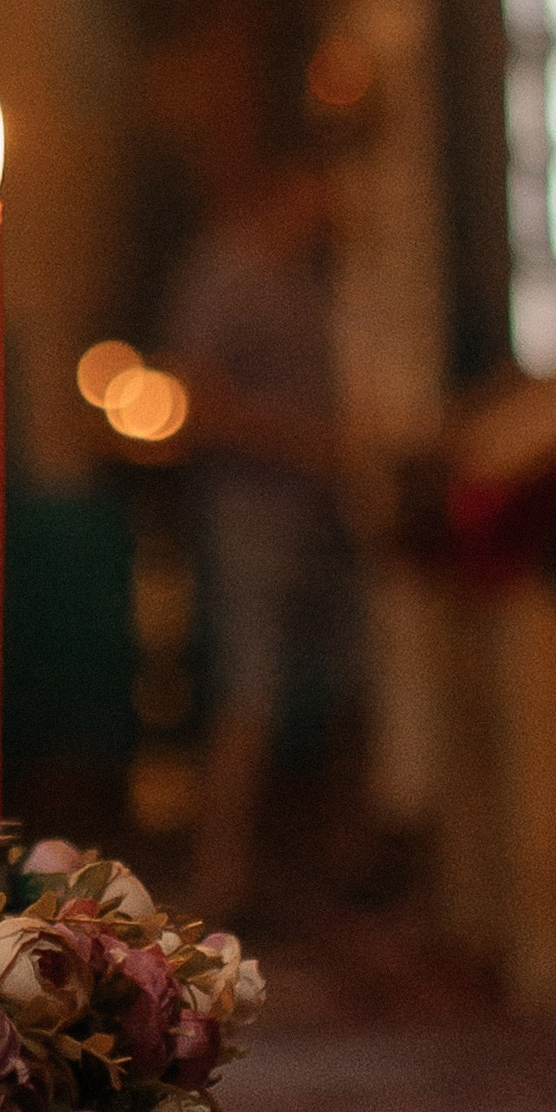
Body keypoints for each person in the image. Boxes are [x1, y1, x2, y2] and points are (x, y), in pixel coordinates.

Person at [167, 151, 361, 931]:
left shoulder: (302, 276)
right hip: (251, 515)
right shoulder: (223, 276)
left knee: (337, 689)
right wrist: (303, 441)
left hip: (316, 515)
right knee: (251, 693)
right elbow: (199, 399)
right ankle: (222, 876)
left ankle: (326, 862)